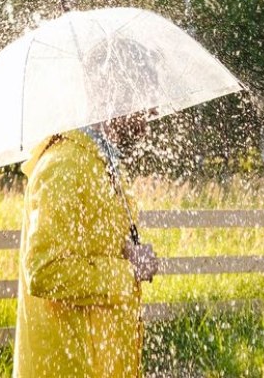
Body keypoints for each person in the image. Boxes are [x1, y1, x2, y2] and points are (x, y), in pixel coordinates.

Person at [12, 111, 159, 377]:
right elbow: (45, 271)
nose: (152, 111)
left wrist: (129, 252)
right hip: (70, 366)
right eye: (142, 97)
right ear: (112, 95)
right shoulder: (62, 166)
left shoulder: (102, 164)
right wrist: (128, 272)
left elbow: (96, 246)